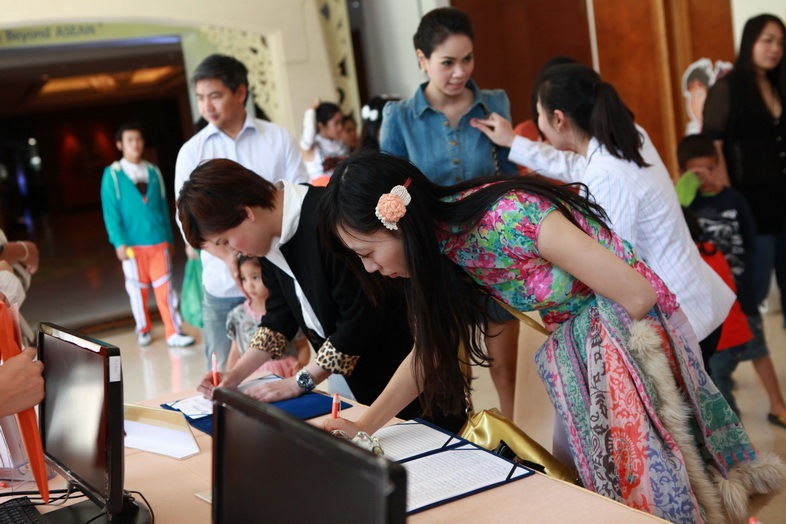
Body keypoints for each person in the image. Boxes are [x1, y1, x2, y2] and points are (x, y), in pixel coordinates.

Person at [319, 151, 784, 524]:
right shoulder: (442, 251)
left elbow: (637, 295)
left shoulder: (507, 215)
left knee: (662, 489)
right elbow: (429, 354)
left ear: (399, 221)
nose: (370, 267)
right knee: (601, 486)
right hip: (591, 354)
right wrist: (365, 425)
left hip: (636, 342)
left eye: (367, 252)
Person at [471, 63, 735, 358]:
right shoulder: (626, 136)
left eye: (539, 114)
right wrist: (513, 142)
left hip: (680, 317)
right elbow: (575, 166)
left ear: (558, 119)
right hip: (694, 295)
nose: (539, 126)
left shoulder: (607, 175)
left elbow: (610, 264)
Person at [177, 158, 462, 429]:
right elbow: (278, 317)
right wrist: (234, 375)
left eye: (225, 241)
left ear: (246, 213)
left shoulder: (324, 216)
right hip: (367, 387)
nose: (233, 253)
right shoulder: (268, 242)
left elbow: (361, 316)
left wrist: (301, 381)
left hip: (405, 368)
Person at [379, 6, 520, 418]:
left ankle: (512, 433)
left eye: (467, 59)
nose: (460, 72)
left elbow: (510, 177)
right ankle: (465, 430)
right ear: (422, 59)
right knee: (451, 361)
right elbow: (391, 189)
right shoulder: (400, 117)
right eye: (447, 62)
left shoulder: (494, 103)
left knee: (504, 365)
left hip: (493, 245)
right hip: (436, 251)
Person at [174, 54, 308, 371]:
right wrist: (227, 257)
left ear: (240, 92)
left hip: (278, 279)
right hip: (222, 284)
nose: (206, 106)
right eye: (200, 98)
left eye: (215, 96)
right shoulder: (192, 151)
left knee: (285, 367)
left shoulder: (277, 137)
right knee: (224, 375)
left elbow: (299, 196)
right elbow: (187, 222)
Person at [678, 133, 786, 427]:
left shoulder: (734, 199)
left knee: (759, 349)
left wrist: (752, 283)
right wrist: (685, 190)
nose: (706, 177)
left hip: (741, 292)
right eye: (697, 172)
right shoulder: (685, 204)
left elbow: (750, 243)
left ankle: (777, 403)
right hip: (708, 298)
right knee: (718, 359)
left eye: (710, 169)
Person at [703, 14, 786, 326]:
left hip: (783, 199)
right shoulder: (729, 88)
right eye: (767, 40)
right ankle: (740, 351)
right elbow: (714, 145)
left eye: (781, 42)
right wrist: (729, 197)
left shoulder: (779, 84)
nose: (775, 49)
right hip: (751, 203)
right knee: (756, 284)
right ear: (750, 41)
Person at [100, 123, 193, 348]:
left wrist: (169, 238)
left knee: (166, 289)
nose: (136, 144)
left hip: (158, 240)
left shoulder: (153, 171)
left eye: (139, 139)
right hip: (132, 245)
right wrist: (119, 242)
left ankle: (174, 332)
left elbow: (163, 207)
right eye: (130, 140)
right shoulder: (113, 175)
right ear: (120, 145)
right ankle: (143, 329)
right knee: (137, 290)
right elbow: (110, 212)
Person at [225, 255, 310, 375]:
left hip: (285, 373)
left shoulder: (287, 313)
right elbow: (235, 352)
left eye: (255, 277)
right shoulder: (237, 315)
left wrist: (301, 363)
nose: (249, 285)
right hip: (250, 374)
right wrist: (229, 375)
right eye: (244, 278)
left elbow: (302, 346)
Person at [299, 101, 349, 186]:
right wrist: (311, 111)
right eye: (336, 123)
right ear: (321, 124)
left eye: (341, 122)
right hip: (322, 191)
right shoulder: (312, 145)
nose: (340, 127)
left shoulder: (341, 144)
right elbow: (310, 130)